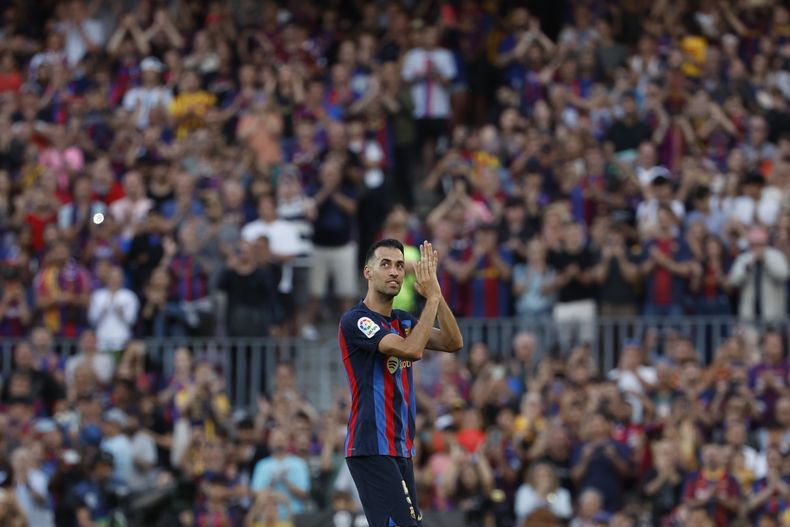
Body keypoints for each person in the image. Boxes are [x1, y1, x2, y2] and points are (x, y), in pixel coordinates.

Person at [339, 239, 463, 527]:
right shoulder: (357, 320)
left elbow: (453, 341)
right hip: (371, 446)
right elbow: (412, 351)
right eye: (385, 264)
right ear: (367, 272)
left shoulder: (404, 322)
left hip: (400, 448)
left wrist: (438, 294)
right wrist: (430, 300)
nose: (394, 272)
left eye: (399, 265)